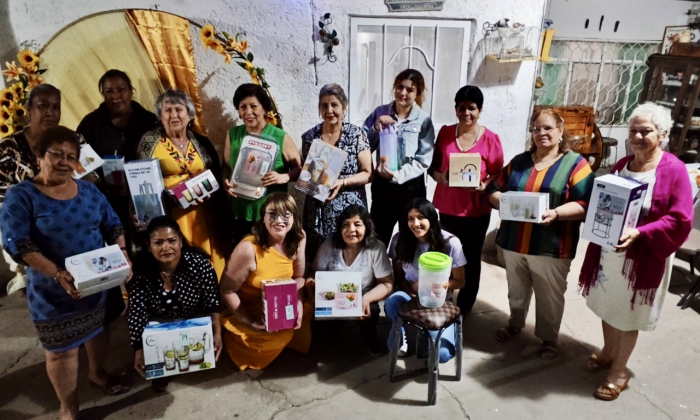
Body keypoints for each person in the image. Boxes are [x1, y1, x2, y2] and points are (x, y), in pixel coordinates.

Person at [0, 126, 131, 420]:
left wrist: (122, 253)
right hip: (53, 291)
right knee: (62, 352)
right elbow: (18, 243)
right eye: (57, 154)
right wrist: (58, 273)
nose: (64, 161)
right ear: (39, 156)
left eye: (71, 157)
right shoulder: (22, 196)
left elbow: (113, 224)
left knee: (99, 330)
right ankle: (68, 407)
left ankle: (97, 373)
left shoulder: (89, 190)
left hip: (97, 282)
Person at [578, 103, 693, 401]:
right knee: (607, 305)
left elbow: (680, 218)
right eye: (633, 131)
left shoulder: (674, 170)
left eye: (646, 131)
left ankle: (619, 370)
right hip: (610, 252)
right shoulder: (623, 165)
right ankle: (607, 351)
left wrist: (641, 232)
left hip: (642, 258)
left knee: (628, 315)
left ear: (663, 134)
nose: (638, 137)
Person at [486, 108, 595, 360]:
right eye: (536, 129)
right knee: (517, 290)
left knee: (549, 296)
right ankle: (515, 323)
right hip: (514, 242)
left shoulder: (576, 164)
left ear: (560, 131)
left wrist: (557, 213)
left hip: (552, 246)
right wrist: (503, 201)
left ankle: (548, 338)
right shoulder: (520, 162)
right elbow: (493, 189)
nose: (541, 133)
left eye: (547, 128)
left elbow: (587, 203)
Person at [428, 85, 503, 315]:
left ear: (480, 110)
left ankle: (465, 306)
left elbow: (499, 174)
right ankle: (444, 299)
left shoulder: (490, 139)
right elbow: (433, 168)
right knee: (446, 256)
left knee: (471, 258)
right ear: (456, 109)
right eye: (462, 108)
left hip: (476, 211)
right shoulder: (445, 133)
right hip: (448, 208)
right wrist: (441, 178)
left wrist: (485, 185)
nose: (466, 113)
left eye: (472, 108)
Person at [136, 88, 225, 277]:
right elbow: (139, 181)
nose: (174, 115)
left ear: (189, 115)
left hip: (202, 215)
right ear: (160, 116)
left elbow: (215, 175)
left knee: (206, 262)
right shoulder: (149, 142)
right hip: (170, 214)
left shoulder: (201, 142)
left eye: (179, 110)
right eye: (168, 110)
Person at [128, 216, 222, 392]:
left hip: (194, 319)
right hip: (161, 324)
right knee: (160, 362)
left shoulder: (199, 265)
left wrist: (217, 333)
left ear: (180, 242)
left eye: (171, 241)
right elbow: (137, 313)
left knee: (199, 357)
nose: (166, 247)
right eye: (158, 243)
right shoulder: (140, 272)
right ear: (148, 246)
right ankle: (162, 372)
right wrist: (138, 348)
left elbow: (213, 302)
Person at [220, 193, 311, 370]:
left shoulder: (299, 237)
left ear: (294, 218)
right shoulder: (248, 248)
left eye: (286, 214)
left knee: (311, 304)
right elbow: (226, 291)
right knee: (277, 336)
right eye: (272, 214)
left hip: (283, 301)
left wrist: (298, 304)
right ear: (263, 218)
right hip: (249, 307)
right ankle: (241, 349)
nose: (279, 220)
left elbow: (298, 278)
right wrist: (249, 321)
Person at [77, 70, 158, 241]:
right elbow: (81, 163)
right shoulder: (90, 125)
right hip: (106, 201)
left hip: (146, 199)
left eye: (121, 90)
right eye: (109, 91)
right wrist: (99, 183)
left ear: (131, 91)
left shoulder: (149, 121)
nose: (115, 96)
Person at [0, 84, 65, 295]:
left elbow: (90, 178)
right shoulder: (7, 148)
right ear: (29, 110)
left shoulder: (71, 140)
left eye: (55, 107)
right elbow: (2, 197)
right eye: (42, 106)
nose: (50, 113)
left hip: (67, 213)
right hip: (24, 218)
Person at [385, 198, 466, 362]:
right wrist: (409, 290)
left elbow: (460, 281)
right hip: (410, 295)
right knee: (391, 304)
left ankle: (434, 332)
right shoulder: (399, 239)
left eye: (421, 217)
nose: (415, 224)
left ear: (431, 218)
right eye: (410, 218)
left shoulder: (450, 243)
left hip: (439, 300)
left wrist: (436, 286)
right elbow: (399, 276)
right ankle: (401, 332)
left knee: (442, 355)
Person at [306, 204, 393, 356]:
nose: (351, 230)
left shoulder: (376, 247)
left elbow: (387, 283)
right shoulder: (329, 245)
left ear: (366, 227)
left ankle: (369, 335)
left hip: (362, 294)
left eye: (357, 224)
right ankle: (336, 328)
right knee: (322, 333)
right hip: (332, 296)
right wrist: (312, 285)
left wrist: (366, 299)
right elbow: (314, 273)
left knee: (371, 310)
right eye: (345, 225)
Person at [362, 69, 435, 246]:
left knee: (409, 238)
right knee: (377, 237)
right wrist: (376, 128)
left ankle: (404, 265)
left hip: (411, 187)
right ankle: (377, 265)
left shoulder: (423, 120)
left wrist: (397, 175)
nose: (403, 93)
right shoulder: (380, 112)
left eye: (410, 90)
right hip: (383, 187)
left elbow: (423, 159)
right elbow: (363, 144)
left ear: (418, 93)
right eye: (400, 87)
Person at [222, 84, 303, 245]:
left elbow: (300, 170)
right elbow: (225, 167)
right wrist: (225, 181)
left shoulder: (280, 136)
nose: (248, 112)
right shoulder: (233, 134)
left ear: (264, 108)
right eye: (243, 107)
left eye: (253, 106)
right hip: (240, 212)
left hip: (272, 217)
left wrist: (284, 177)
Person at [301, 84, 373, 261]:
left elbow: (368, 173)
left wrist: (342, 182)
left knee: (349, 255)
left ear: (344, 107)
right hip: (318, 209)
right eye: (324, 105)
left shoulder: (357, 135)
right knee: (319, 257)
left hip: (349, 210)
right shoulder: (310, 137)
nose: (329, 110)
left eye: (334, 105)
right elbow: (309, 173)